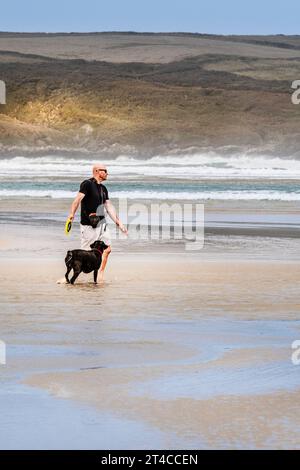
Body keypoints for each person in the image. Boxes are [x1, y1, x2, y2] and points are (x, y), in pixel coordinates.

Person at [68, 163, 128, 282]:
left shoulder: (103, 188)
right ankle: (69, 277)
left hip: (102, 224)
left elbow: (109, 206)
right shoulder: (87, 184)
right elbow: (77, 200)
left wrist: (118, 222)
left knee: (107, 249)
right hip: (89, 225)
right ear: (96, 171)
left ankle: (100, 273)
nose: (107, 173)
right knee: (85, 253)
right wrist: (71, 215)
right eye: (104, 171)